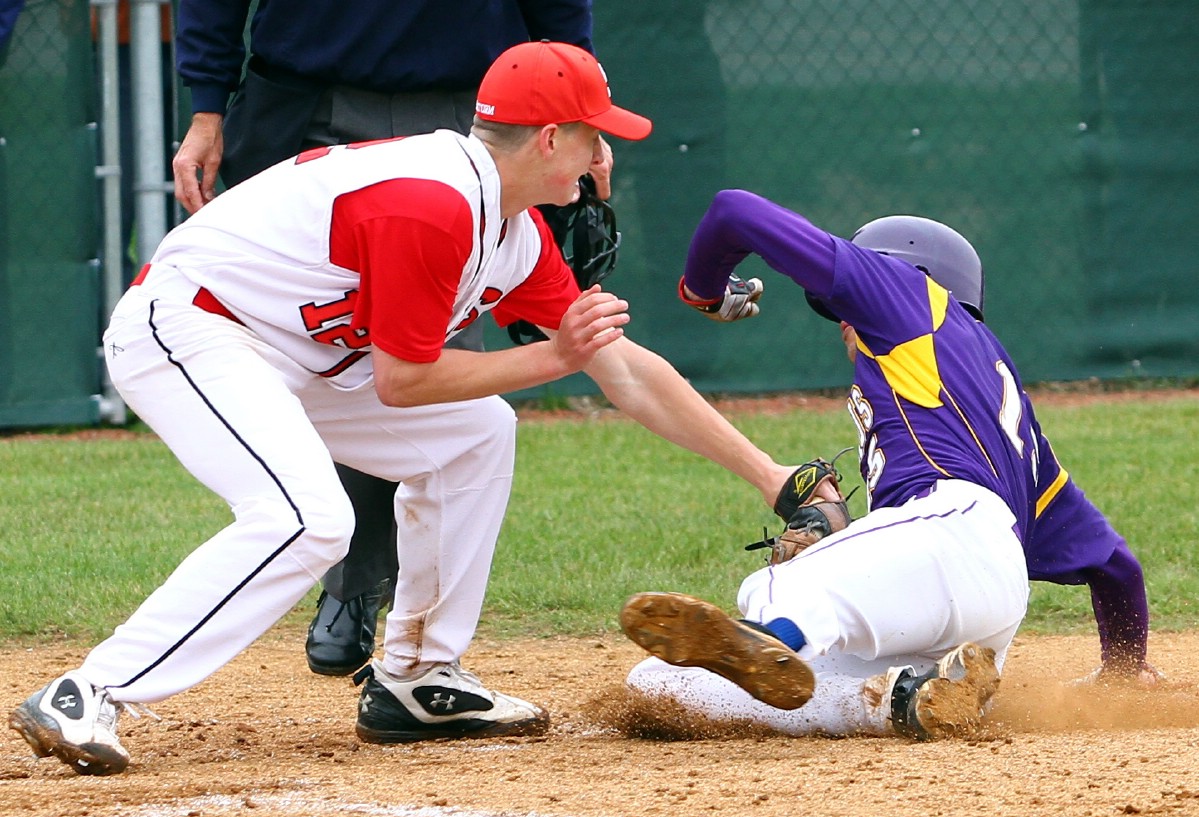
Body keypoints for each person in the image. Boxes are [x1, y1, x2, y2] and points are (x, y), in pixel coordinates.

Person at [8, 42, 797, 776]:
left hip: (300, 353)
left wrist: (770, 477)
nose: (603, 157)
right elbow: (405, 382)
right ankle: (91, 690)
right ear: (550, 138)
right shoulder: (430, 201)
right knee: (306, 519)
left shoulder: (510, 230)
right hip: (192, 328)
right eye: (595, 137)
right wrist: (551, 358)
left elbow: (623, 371)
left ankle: (418, 678)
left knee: (475, 433)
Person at [619, 189, 1159, 741]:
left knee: (776, 588)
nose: (841, 320)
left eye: (845, 305)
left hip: (950, 529)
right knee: (660, 685)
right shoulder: (1014, 426)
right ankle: (901, 700)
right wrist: (1124, 673)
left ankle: (776, 633)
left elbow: (734, 211)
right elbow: (1115, 567)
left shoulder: (909, 296)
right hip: (985, 612)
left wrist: (704, 291)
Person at [172, 0, 610, 676]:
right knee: (312, 346)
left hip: (470, 96)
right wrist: (207, 103)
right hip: (306, 90)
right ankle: (348, 580)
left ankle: (405, 638)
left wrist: (580, 114)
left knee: (445, 394)